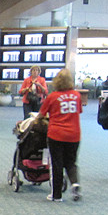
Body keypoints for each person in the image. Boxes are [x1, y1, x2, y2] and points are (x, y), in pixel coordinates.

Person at [37, 69, 82, 202]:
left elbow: (41, 114)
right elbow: (78, 111)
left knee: (57, 164)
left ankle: (56, 195)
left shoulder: (53, 96)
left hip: (56, 134)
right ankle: (75, 183)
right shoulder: (77, 95)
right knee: (71, 162)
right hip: (74, 134)